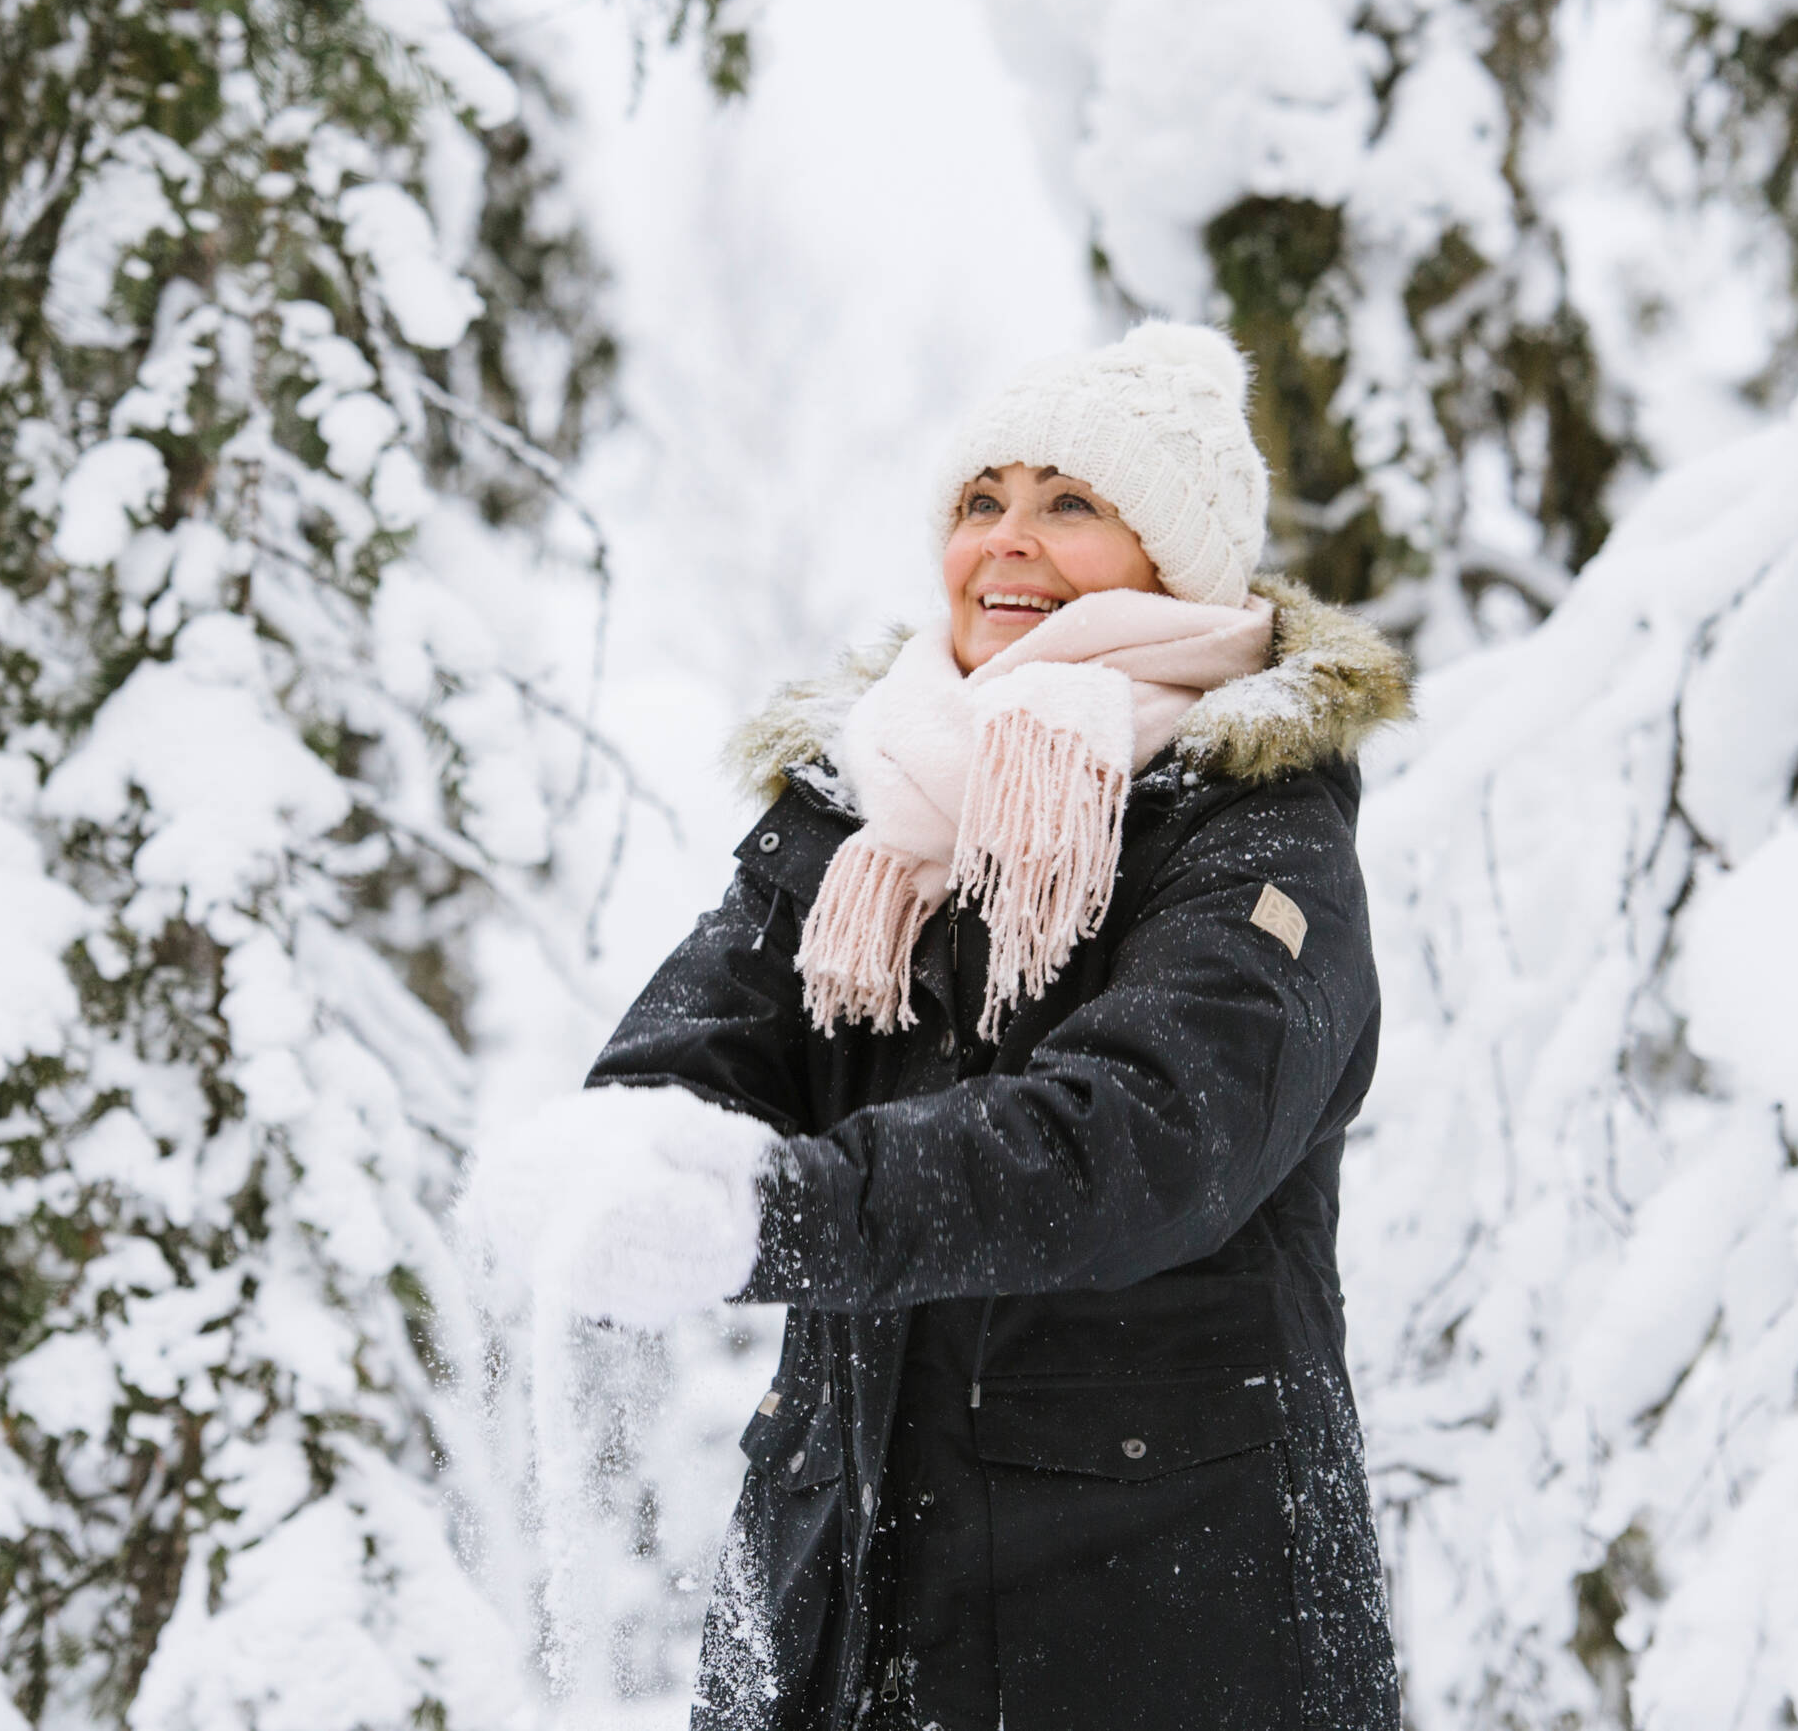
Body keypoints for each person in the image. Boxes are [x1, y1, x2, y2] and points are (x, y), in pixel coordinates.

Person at [469, 323, 1410, 1731]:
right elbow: (700, 1049)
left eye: (1072, 501)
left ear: (1181, 556)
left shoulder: (1255, 833)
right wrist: (613, 1163)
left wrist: (774, 1211)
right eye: (981, 501)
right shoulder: (870, 806)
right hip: (839, 1624)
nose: (1008, 540)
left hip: (1161, 1636)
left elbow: (1144, 1138)